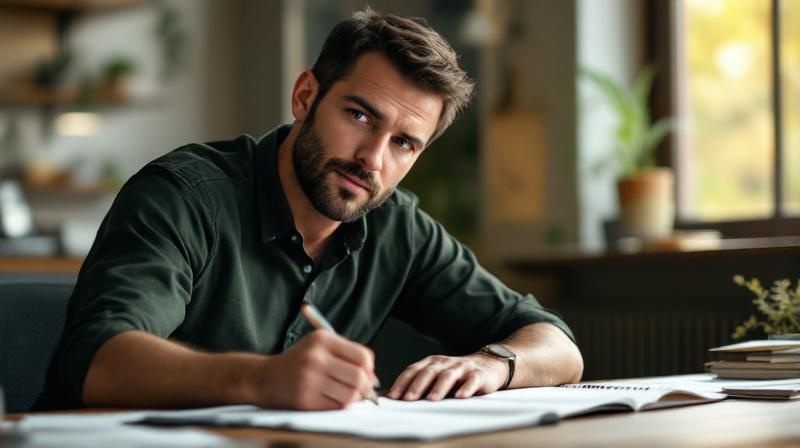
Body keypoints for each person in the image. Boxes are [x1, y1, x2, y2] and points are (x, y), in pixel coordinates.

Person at [36, 7, 582, 411]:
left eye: (403, 143)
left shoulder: (397, 226)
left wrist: (493, 364)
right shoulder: (184, 195)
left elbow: (555, 344)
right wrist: (262, 380)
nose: (372, 158)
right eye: (361, 117)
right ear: (305, 97)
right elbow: (99, 362)